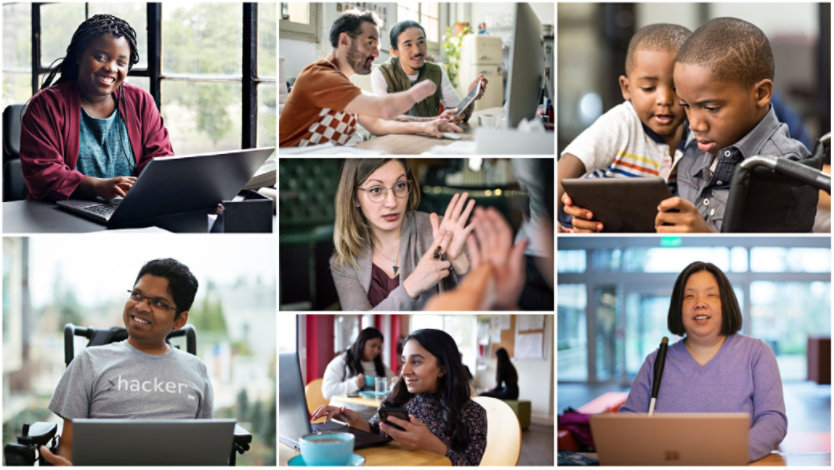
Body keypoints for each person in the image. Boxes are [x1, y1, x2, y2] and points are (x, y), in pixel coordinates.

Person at [40, 258, 209, 465]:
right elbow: (68, 446)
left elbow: (205, 448)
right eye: (137, 295)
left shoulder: (197, 370)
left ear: (180, 320)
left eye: (158, 303)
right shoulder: (89, 361)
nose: (141, 307)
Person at [654, 17, 813, 232]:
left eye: (711, 108)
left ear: (761, 93)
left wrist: (706, 236)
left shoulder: (784, 168)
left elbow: (770, 255)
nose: (694, 124)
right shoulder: (691, 151)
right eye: (686, 106)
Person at [619, 261, 787, 462]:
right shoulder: (655, 362)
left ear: (726, 302)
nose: (700, 303)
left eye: (711, 295)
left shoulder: (756, 353)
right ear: (677, 307)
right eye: (689, 296)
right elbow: (627, 426)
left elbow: (773, 421)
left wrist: (729, 456)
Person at [20, 14, 173, 201]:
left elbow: (161, 160)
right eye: (101, 57)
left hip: (125, 210)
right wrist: (98, 187)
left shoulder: (141, 101)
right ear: (79, 56)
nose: (111, 68)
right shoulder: (46, 105)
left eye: (121, 62)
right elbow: (42, 174)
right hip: (59, 213)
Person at [559, 23, 691, 232]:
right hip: (588, 223)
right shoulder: (621, 123)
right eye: (649, 88)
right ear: (626, 88)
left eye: (677, 88)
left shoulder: (697, 134)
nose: (664, 99)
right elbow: (569, 163)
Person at [279, 10, 461, 148]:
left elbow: (377, 123)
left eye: (377, 45)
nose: (376, 53)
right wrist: (413, 95)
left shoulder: (343, 86)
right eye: (370, 43)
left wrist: (429, 124)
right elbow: (384, 109)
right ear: (344, 41)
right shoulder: (318, 76)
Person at [312, 329, 487, 465]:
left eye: (416, 362)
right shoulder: (399, 399)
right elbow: (377, 432)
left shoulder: (473, 413)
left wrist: (432, 445)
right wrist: (357, 422)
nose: (404, 371)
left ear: (443, 368)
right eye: (404, 361)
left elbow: (471, 464)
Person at [330, 159, 475, 310]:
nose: (392, 203)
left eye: (400, 186)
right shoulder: (344, 263)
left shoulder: (439, 231)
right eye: (376, 190)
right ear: (354, 197)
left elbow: (481, 302)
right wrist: (412, 286)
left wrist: (460, 263)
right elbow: (362, 320)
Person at [370, 20, 487, 122]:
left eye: (421, 42)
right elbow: (386, 118)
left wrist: (470, 98)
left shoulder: (436, 72)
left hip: (428, 139)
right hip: (393, 142)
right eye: (408, 45)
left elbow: (459, 115)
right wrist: (436, 120)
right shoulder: (382, 73)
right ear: (394, 51)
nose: (417, 51)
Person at [322, 327, 396, 399]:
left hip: (373, 410)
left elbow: (394, 382)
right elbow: (327, 392)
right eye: (373, 346)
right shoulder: (341, 362)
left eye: (379, 347)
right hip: (345, 409)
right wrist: (354, 384)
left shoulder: (379, 365)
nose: (377, 351)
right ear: (361, 343)